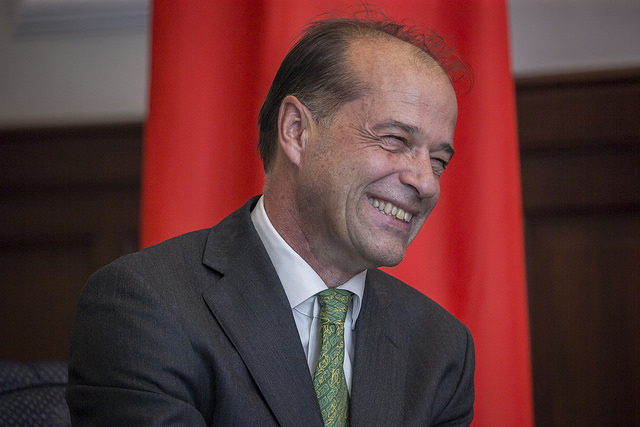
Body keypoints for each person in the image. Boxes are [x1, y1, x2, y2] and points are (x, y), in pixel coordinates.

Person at [67, 11, 475, 427]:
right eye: (395, 140)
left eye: (438, 161)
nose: (426, 183)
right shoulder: (144, 305)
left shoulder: (441, 349)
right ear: (296, 131)